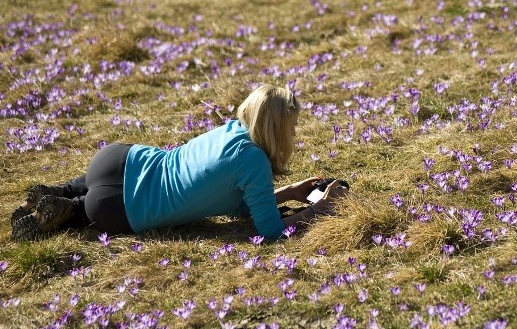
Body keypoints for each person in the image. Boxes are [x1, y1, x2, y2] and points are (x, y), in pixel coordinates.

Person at [10, 84, 348, 242]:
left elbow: (238, 203)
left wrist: (291, 192)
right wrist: (322, 210)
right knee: (85, 210)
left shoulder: (231, 131)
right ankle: (70, 211)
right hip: (119, 207)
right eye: (292, 126)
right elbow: (270, 231)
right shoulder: (254, 162)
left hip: (118, 160)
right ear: (278, 130)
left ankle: (55, 194)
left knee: (79, 187)